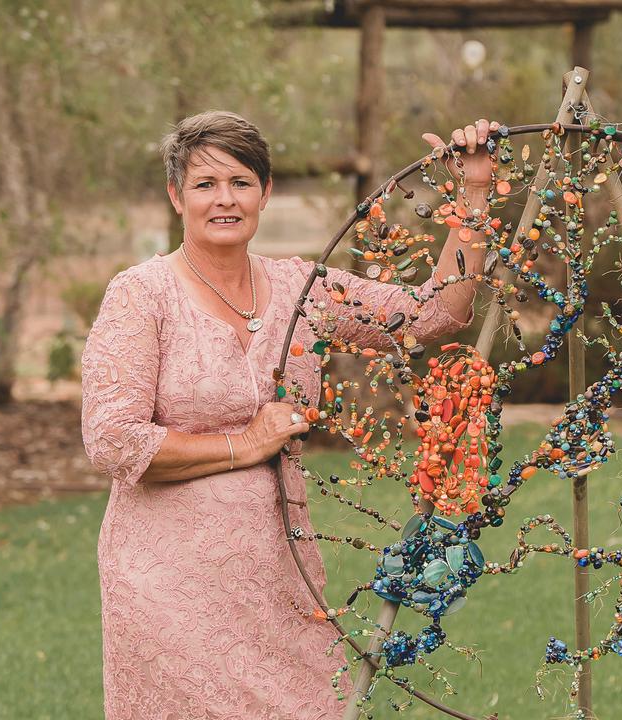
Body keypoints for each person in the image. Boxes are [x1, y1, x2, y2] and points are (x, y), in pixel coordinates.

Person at [80, 110, 498, 718]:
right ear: (177, 196)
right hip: (169, 587)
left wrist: (475, 192)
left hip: (282, 578)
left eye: (241, 183)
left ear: (265, 193)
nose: (224, 200)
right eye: (204, 185)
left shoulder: (303, 290)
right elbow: (114, 441)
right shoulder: (142, 295)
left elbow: (434, 316)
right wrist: (244, 444)